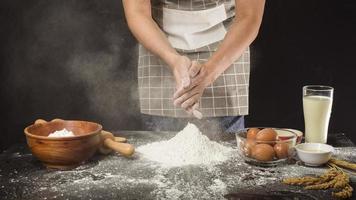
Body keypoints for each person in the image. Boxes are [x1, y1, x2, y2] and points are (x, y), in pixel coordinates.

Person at [122, 0, 265, 133]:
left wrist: (209, 72)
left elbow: (249, 16)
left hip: (227, 47)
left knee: (226, 151)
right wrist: (173, 60)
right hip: (158, 44)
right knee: (160, 151)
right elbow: (137, 12)